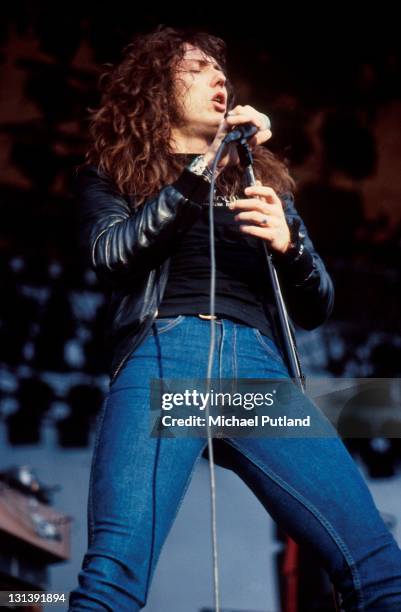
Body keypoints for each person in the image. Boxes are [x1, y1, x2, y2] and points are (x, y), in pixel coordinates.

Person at [68, 25, 401, 612]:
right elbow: (110, 255)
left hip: (254, 371)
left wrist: (289, 246)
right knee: (113, 579)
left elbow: (316, 305)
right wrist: (203, 166)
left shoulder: (258, 181)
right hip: (168, 356)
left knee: (378, 569)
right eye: (196, 67)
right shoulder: (115, 171)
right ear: (154, 86)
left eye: (221, 68)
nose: (218, 76)